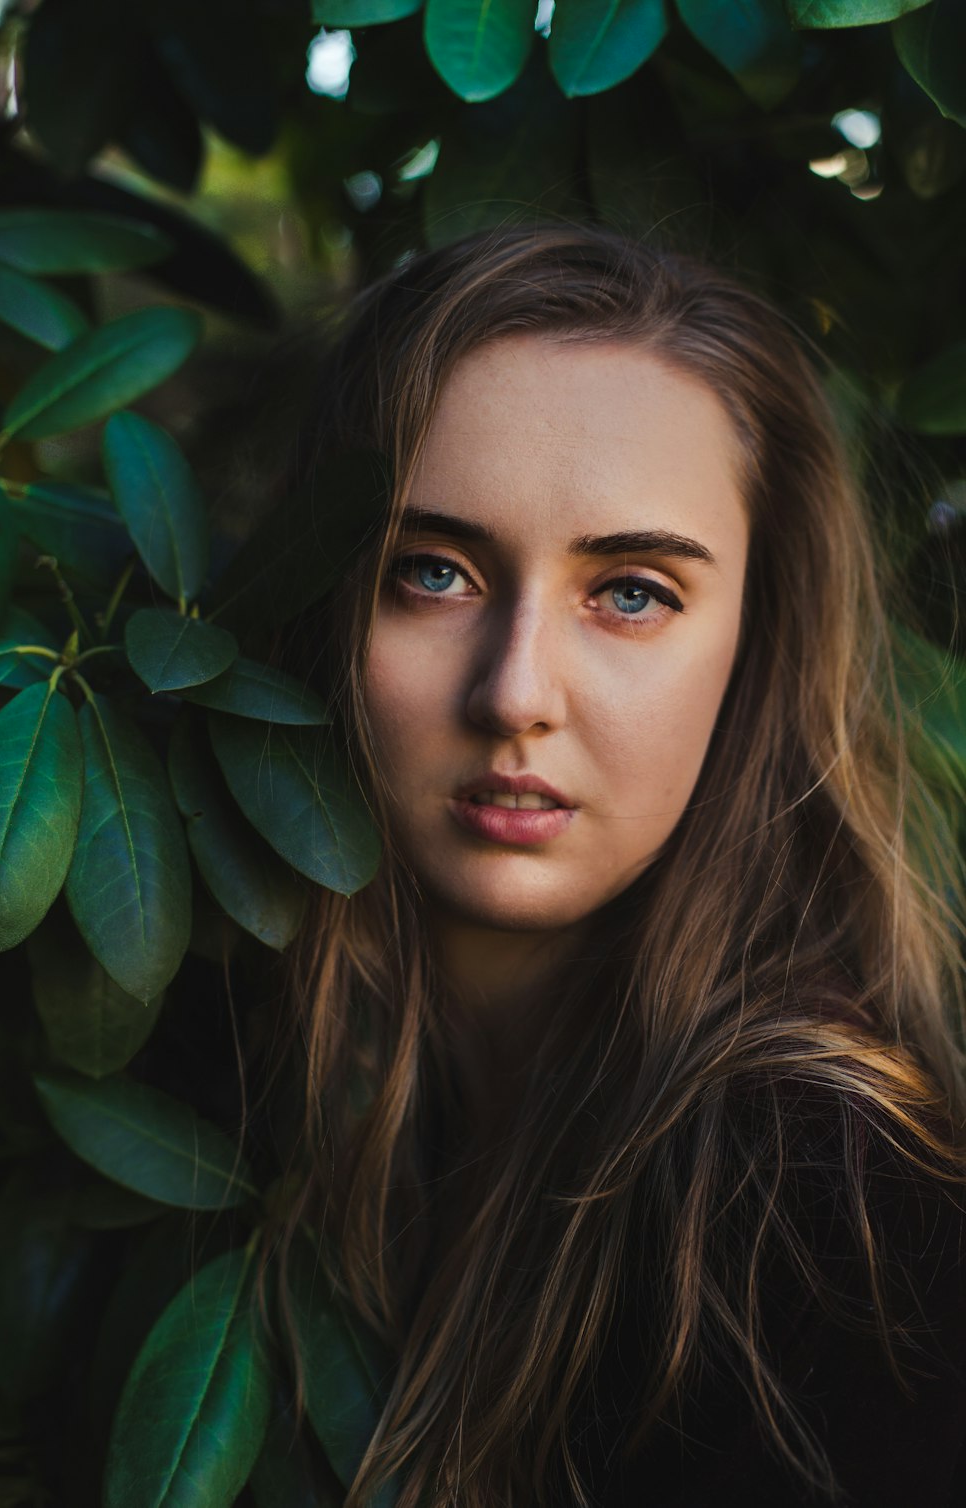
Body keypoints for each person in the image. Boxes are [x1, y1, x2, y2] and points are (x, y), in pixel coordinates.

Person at [262, 224, 966, 1507]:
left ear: (754, 648)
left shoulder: (837, 1215)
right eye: (432, 571)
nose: (515, 691)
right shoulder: (248, 1092)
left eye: (631, 591)